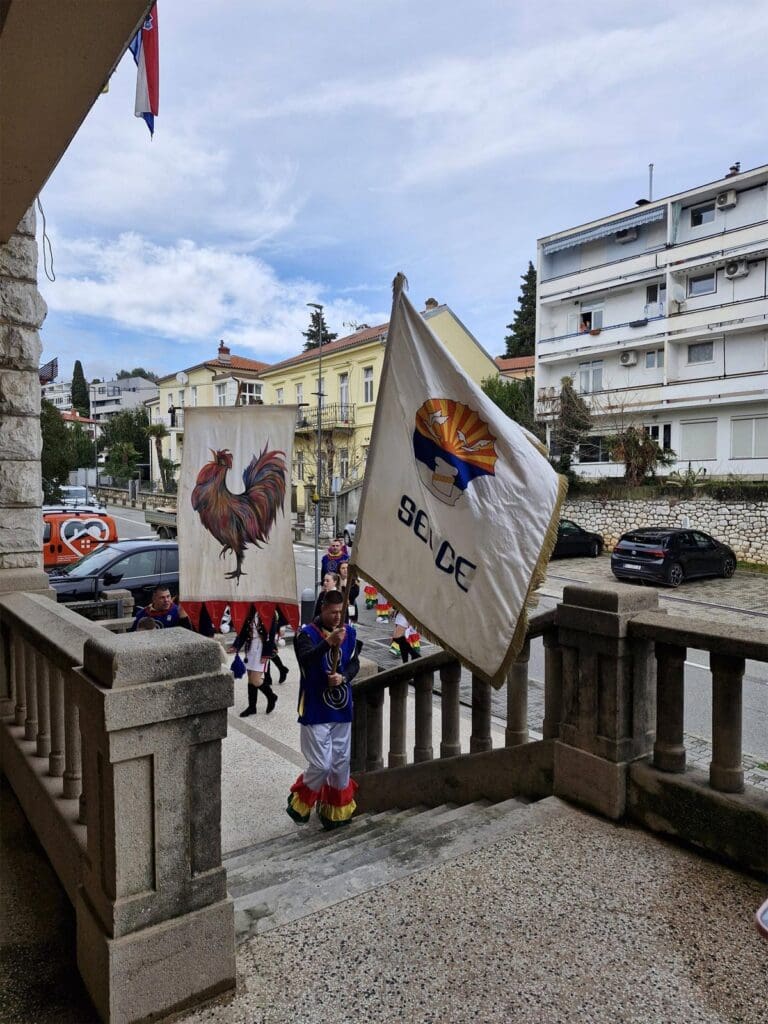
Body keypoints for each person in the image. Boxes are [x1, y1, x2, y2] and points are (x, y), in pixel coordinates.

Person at [287, 590, 360, 830]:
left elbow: (354, 662)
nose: (337, 617)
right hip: (315, 708)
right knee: (322, 765)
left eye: (340, 612)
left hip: (341, 707)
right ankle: (300, 801)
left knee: (341, 765)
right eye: (332, 612)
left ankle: (335, 814)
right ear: (322, 609)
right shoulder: (305, 634)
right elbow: (306, 660)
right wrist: (328, 643)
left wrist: (344, 677)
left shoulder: (349, 632)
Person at [233, 607, 280, 716]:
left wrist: (266, 654)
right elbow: (243, 631)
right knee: (250, 678)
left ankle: (271, 696)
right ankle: (252, 707)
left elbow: (271, 635)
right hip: (250, 647)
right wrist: (236, 646)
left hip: (262, 648)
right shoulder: (251, 610)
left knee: (256, 679)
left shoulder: (270, 612)